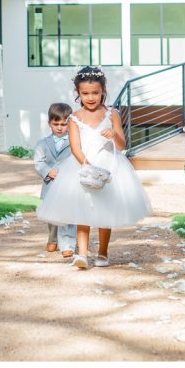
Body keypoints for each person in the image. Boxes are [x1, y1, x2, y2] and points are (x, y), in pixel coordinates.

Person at [36, 67, 152, 269]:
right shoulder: (74, 117)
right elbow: (75, 146)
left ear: (103, 91)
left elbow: (122, 144)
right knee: (83, 210)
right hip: (83, 166)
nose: (90, 97)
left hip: (109, 166)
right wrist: (86, 165)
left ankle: (103, 252)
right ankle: (81, 254)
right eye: (85, 93)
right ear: (78, 93)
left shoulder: (112, 113)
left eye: (95, 93)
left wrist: (113, 135)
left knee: (104, 209)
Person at [32, 102, 77, 259]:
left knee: (69, 214)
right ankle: (53, 239)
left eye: (64, 124)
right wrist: (47, 171)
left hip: (68, 185)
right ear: (49, 123)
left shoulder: (75, 142)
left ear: (69, 123)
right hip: (50, 184)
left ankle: (68, 244)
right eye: (55, 124)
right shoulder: (42, 144)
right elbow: (38, 162)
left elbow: (77, 160)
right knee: (51, 215)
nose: (59, 128)